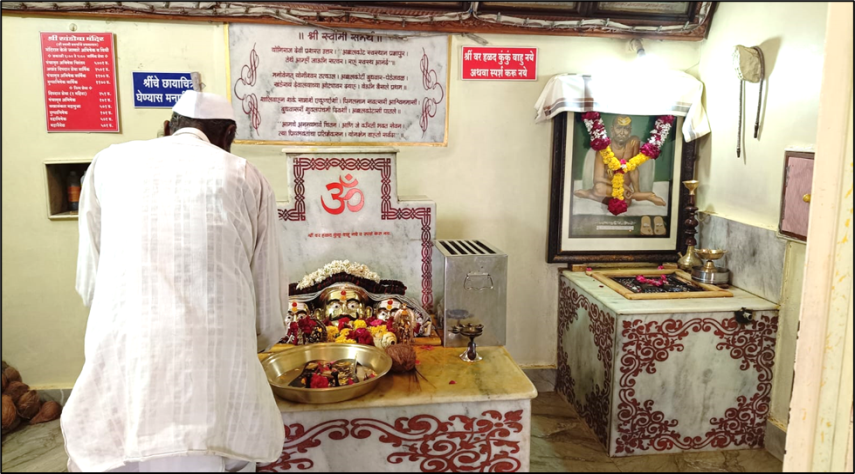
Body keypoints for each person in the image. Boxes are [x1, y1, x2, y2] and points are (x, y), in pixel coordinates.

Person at [64, 91, 288, 472]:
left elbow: (90, 281)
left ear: (168, 128)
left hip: (125, 357)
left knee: (120, 450)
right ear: (229, 133)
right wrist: (251, 346)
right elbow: (267, 307)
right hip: (211, 373)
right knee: (211, 448)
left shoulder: (108, 163)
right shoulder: (243, 174)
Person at [574, 115, 666, 207]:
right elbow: (597, 178)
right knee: (599, 188)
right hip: (608, 186)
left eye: (626, 129)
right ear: (612, 130)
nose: (622, 132)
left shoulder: (633, 142)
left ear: (630, 131)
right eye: (619, 128)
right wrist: (623, 187)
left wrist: (637, 191)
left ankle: (591, 195)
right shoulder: (603, 148)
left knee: (626, 202)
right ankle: (647, 196)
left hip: (623, 188)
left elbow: (633, 169)